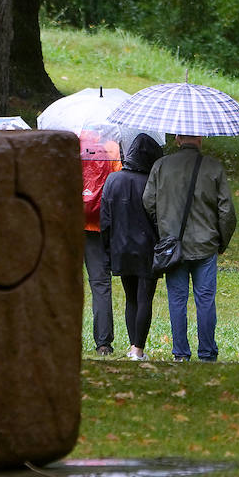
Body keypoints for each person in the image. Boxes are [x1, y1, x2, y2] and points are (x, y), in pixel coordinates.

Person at [143, 134, 236, 362]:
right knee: (205, 300)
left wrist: (164, 227)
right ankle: (207, 353)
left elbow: (148, 201)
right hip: (206, 244)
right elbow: (227, 212)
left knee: (177, 300)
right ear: (200, 138)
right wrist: (221, 241)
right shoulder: (213, 167)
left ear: (177, 139)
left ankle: (180, 353)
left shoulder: (161, 166)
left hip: (173, 246)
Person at [99, 133, 163, 361]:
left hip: (121, 247)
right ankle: (138, 348)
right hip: (147, 249)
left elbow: (105, 220)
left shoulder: (113, 180)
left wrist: (108, 249)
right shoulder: (152, 183)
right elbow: (159, 218)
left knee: (131, 298)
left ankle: (132, 345)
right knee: (145, 298)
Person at [80, 127, 122, 356]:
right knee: (100, 284)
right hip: (97, 225)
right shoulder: (111, 148)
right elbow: (117, 184)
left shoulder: (70, 145)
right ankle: (103, 343)